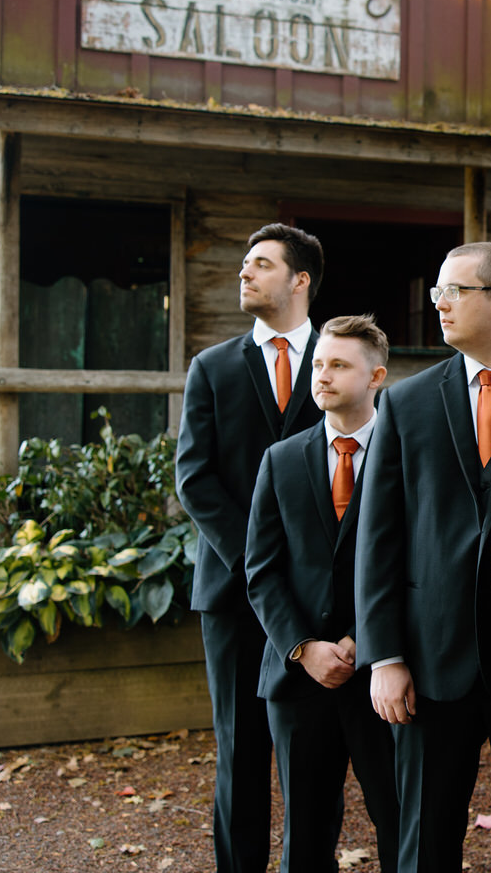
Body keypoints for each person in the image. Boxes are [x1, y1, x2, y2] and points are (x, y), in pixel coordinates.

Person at [354, 242, 491, 873]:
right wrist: (385, 655)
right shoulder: (404, 402)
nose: (440, 304)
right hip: (429, 661)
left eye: (454, 291)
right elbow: (379, 536)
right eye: (437, 293)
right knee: (424, 840)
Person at [176, 223, 326, 873]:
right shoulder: (211, 367)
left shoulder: (337, 359)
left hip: (321, 600)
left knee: (314, 755)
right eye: (244, 263)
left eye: (261, 264)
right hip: (234, 594)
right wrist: (260, 561)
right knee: (239, 748)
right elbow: (195, 477)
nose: (245, 273)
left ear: (300, 280)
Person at [244, 315, 399, 872]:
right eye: (317, 365)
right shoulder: (280, 460)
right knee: (305, 832)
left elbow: (417, 563)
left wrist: (367, 638)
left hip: (383, 675)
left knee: (400, 820)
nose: (323, 376)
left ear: (376, 375)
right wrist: (302, 646)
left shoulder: (405, 456)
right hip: (298, 679)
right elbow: (261, 570)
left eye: (339, 365)